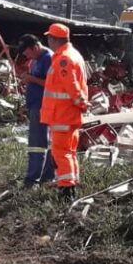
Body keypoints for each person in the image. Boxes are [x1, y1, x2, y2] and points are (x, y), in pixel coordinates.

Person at [38, 22, 89, 194]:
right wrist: (82, 105)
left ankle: (66, 189)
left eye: (49, 38)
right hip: (68, 114)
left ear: (53, 39)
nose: (48, 42)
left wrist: (81, 103)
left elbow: (72, 87)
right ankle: (72, 184)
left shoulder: (64, 59)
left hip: (62, 115)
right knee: (69, 152)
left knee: (61, 153)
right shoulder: (73, 55)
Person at [16, 34, 56, 187]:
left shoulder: (49, 59)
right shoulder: (36, 60)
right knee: (40, 142)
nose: (26, 55)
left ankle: (34, 179)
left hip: (43, 106)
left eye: (27, 52)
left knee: (37, 144)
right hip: (36, 105)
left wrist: (31, 79)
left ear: (35, 47)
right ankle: (44, 176)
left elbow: (51, 84)